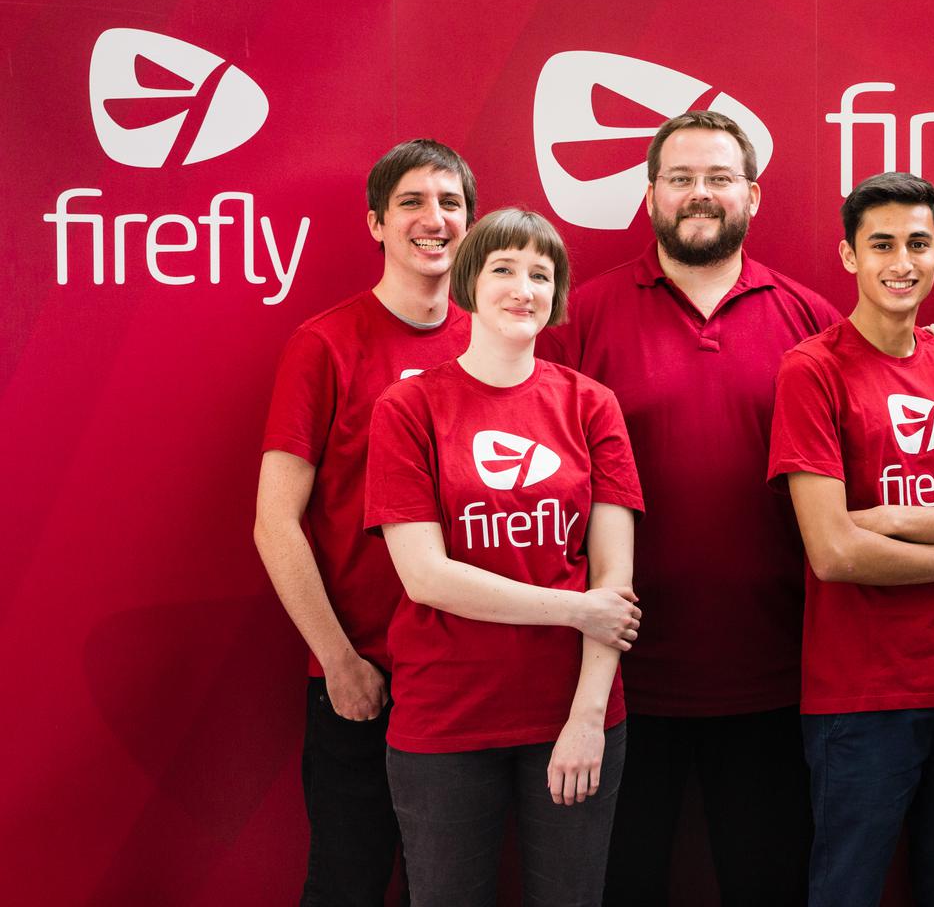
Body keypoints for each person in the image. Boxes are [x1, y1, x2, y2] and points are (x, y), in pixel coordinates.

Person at [539, 110, 838, 906]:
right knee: (622, 888)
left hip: (777, 678)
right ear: (648, 196)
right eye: (680, 179)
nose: (699, 195)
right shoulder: (581, 320)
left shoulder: (814, 322)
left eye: (717, 179)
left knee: (769, 888)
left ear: (753, 196)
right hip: (622, 681)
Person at [768, 172, 934, 907]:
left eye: (918, 243)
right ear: (849, 256)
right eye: (880, 244)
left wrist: (888, 517)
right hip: (859, 696)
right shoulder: (811, 371)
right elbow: (834, 553)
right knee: (846, 893)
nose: (901, 261)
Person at [365, 208, 645, 906]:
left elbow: (616, 580)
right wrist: (578, 607)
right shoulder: (408, 409)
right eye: (504, 269)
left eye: (541, 275)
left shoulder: (592, 405)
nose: (524, 288)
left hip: (574, 714)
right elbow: (426, 577)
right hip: (446, 721)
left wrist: (586, 718)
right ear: (468, 283)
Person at [255, 139, 476, 905]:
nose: (434, 218)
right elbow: (274, 522)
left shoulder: (494, 344)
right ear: (377, 223)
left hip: (463, 681)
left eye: (450, 203)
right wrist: (339, 661)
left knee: (446, 890)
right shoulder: (324, 344)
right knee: (347, 884)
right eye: (413, 202)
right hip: (362, 679)